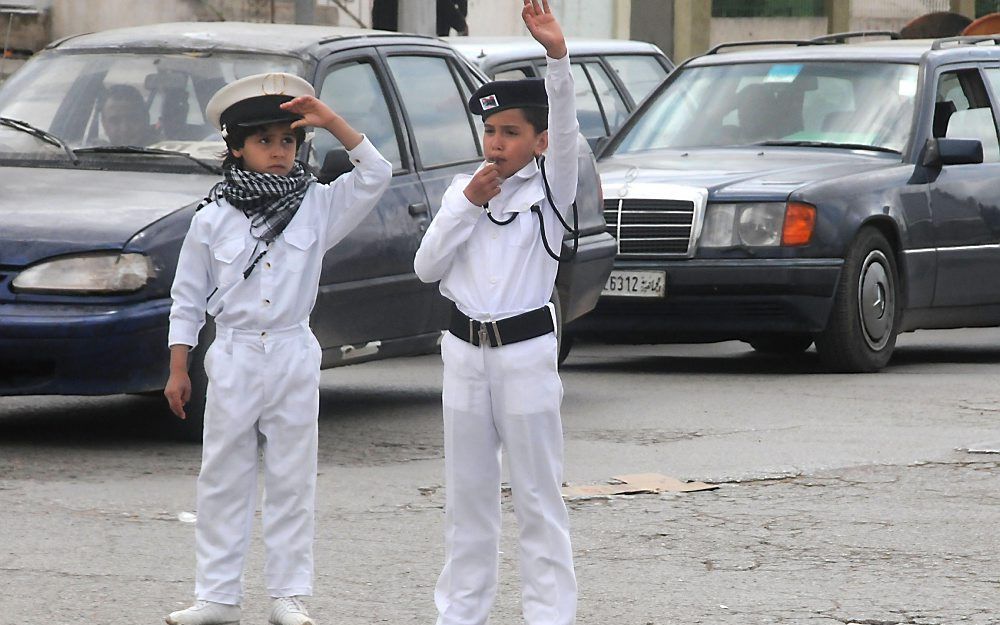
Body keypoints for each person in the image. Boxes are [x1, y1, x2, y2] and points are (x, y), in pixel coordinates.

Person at [163, 72, 392, 625]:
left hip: (291, 348)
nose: (279, 151)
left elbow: (377, 173)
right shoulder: (212, 216)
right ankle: (217, 598)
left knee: (292, 476)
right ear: (236, 147)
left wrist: (331, 120)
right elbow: (187, 298)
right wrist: (177, 368)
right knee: (223, 477)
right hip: (236, 352)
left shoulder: (316, 203)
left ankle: (288, 597)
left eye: (288, 140)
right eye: (264, 141)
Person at [413, 2, 578, 624]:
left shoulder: (551, 189)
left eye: (511, 133)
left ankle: (549, 616)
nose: (497, 144)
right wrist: (469, 206)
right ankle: (460, 615)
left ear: (536, 143)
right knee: (468, 498)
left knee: (538, 496)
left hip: (525, 351)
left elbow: (564, 130)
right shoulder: (464, 191)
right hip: (464, 354)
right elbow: (427, 268)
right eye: (491, 132)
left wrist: (556, 59)